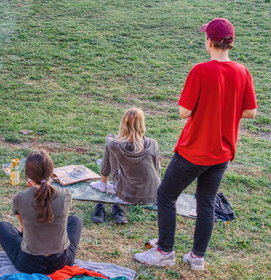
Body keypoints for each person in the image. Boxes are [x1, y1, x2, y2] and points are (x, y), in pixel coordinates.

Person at [135, 18, 257, 270]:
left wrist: (210, 109)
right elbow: (250, 111)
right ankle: (197, 257)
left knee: (166, 195)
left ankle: (164, 252)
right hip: (222, 152)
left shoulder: (201, 70)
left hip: (195, 149)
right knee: (206, 203)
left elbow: (183, 111)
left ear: (209, 42)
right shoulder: (242, 71)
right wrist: (225, 110)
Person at [0, 149, 83, 274]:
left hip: (29, 264)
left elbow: (23, 227)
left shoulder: (20, 197)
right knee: (76, 220)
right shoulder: (65, 195)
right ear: (51, 172)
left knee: (0, 226)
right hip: (61, 262)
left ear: (28, 175)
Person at [90, 108, 161, 224]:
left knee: (110, 148)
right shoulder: (153, 143)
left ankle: (103, 183)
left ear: (123, 124)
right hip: (152, 193)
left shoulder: (115, 145)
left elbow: (109, 138)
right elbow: (157, 168)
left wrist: (119, 138)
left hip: (128, 196)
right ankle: (104, 184)